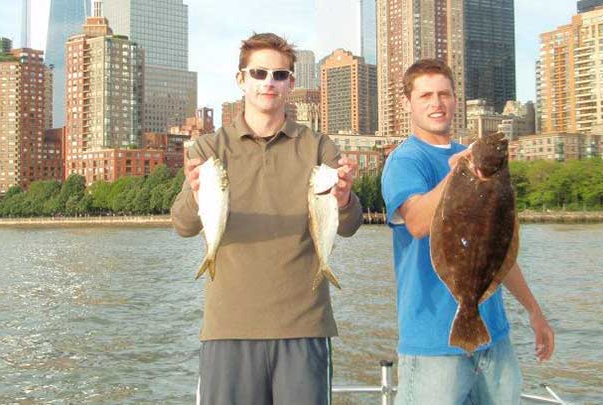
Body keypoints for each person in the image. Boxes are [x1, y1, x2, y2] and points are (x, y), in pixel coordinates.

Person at [171, 33, 363, 405]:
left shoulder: (319, 146)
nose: (268, 83)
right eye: (258, 73)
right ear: (241, 79)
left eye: (279, 75)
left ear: (291, 82)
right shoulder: (210, 147)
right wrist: (195, 193)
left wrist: (343, 197)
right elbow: (183, 225)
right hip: (228, 328)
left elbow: (352, 224)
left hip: (305, 326)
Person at [380, 59, 555, 405]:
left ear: (456, 100)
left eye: (444, 94)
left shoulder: (471, 160)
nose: (436, 103)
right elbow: (415, 222)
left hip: (494, 338)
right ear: (407, 103)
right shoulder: (405, 161)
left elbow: (500, 247)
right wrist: (457, 174)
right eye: (426, 95)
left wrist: (534, 310)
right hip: (433, 343)